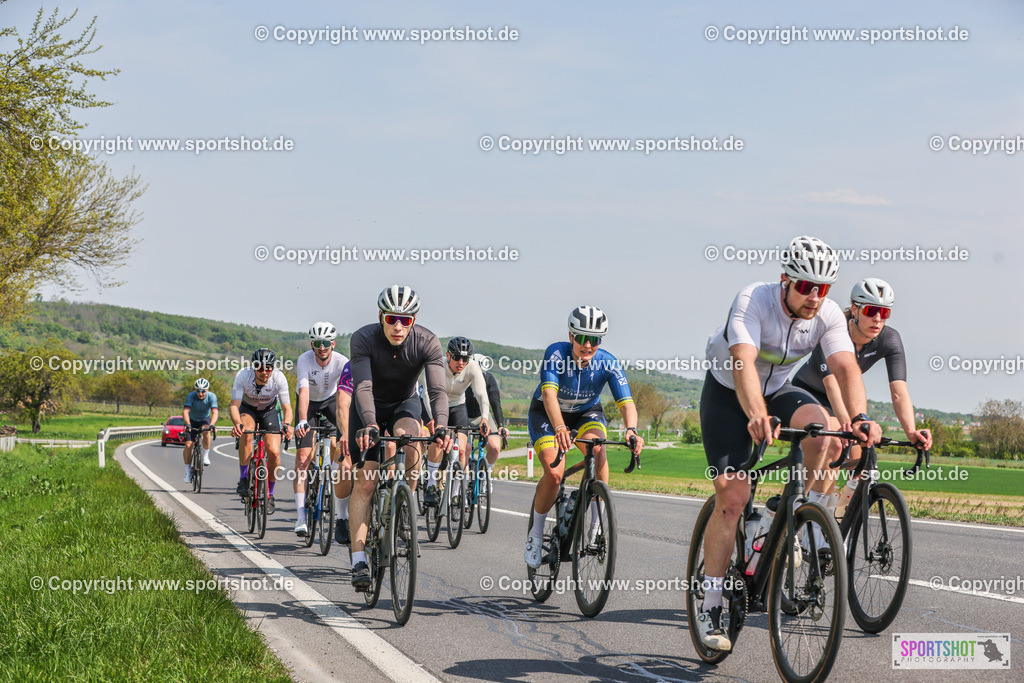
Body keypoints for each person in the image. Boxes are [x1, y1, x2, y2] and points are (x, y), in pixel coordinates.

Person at [695, 236, 882, 652]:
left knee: (825, 433)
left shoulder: (829, 314)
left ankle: (790, 519)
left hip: (777, 389)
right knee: (732, 495)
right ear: (785, 281)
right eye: (805, 287)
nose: (815, 297)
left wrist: (860, 419)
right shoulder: (752, 301)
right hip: (729, 392)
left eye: (824, 288)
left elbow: (845, 367)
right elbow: (743, 361)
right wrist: (756, 415)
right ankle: (710, 605)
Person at [524, 305, 644, 568]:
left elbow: (626, 402)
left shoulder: (608, 362)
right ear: (571, 336)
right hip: (548, 414)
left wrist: (632, 429)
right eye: (581, 338)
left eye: (594, 340)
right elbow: (549, 395)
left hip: (586, 413)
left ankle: (597, 523)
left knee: (598, 451)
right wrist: (558, 428)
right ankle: (535, 534)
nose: (587, 345)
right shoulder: (556, 353)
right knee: (555, 474)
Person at [790, 277, 933, 497]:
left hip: (844, 399)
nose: (877, 319)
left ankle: (838, 518)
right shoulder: (832, 329)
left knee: (862, 463)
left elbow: (898, 391)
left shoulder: (890, 339)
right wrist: (848, 425)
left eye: (884, 313)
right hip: (810, 394)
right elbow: (831, 384)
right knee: (836, 445)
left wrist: (911, 431)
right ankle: (810, 514)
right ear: (855, 310)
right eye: (870, 311)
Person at [349, 285, 451, 591]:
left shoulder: (428, 341)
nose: (398, 326)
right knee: (366, 481)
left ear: (414, 320)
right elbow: (363, 388)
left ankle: (404, 507)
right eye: (392, 318)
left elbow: (437, 391)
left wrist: (443, 425)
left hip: (404, 404)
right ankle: (358, 561)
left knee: (412, 439)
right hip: (367, 410)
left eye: (405, 320)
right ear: (381, 316)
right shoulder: (363, 338)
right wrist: (369, 423)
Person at [292, 321, 351, 537]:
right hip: (308, 402)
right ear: (312, 344)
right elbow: (304, 391)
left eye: (326, 343)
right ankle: (300, 516)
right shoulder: (304, 360)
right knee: (302, 459)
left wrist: (347, 430)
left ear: (333, 343)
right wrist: (302, 420)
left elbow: (346, 396)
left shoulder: (342, 362)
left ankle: (334, 480)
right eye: (318, 343)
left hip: (331, 401)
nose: (322, 347)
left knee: (341, 446)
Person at [422, 337, 491, 507]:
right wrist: (433, 419)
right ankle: (431, 484)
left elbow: (482, 394)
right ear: (448, 355)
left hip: (458, 406)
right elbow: (425, 395)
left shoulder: (472, 367)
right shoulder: (436, 365)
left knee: (463, 448)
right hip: (435, 405)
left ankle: (456, 493)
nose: (461, 362)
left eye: (465, 359)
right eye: (457, 358)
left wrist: (484, 417)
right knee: (438, 442)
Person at [229, 348, 293, 515]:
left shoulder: (279, 378)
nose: (264, 372)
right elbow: (234, 405)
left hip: (269, 411)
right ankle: (244, 478)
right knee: (247, 433)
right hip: (248, 409)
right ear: (254, 366)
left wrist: (286, 424)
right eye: (259, 367)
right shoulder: (243, 376)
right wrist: (237, 424)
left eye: (268, 367)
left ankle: (270, 494)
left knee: (273, 451)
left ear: (273, 367)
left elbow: (287, 408)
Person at [465, 353, 509, 481]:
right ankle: (463, 481)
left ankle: (485, 476)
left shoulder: (489, 379)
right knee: (465, 448)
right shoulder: (462, 378)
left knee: (495, 447)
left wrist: (500, 426)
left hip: (482, 415)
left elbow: (495, 403)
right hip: (463, 414)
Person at [182, 378, 218, 484]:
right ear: (195, 390)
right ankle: (187, 471)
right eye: (198, 391)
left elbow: (215, 412)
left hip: (204, 419)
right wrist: (187, 424)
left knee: (206, 431)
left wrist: (212, 425)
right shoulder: (191, 396)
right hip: (192, 420)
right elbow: (185, 411)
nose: (200, 393)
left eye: (203, 391)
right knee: (188, 446)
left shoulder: (212, 396)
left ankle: (206, 455)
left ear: (207, 390)